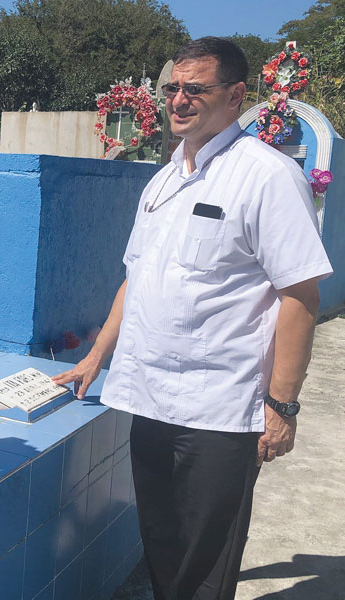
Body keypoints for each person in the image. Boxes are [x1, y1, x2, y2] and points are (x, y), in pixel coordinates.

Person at [53, 37, 332, 600]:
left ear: (235, 96)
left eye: (194, 89)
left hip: (221, 410)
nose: (178, 100)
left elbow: (299, 297)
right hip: (148, 397)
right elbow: (136, 279)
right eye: (171, 88)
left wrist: (281, 407)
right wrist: (96, 356)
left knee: (206, 560)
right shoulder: (162, 182)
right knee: (161, 538)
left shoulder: (267, 176)